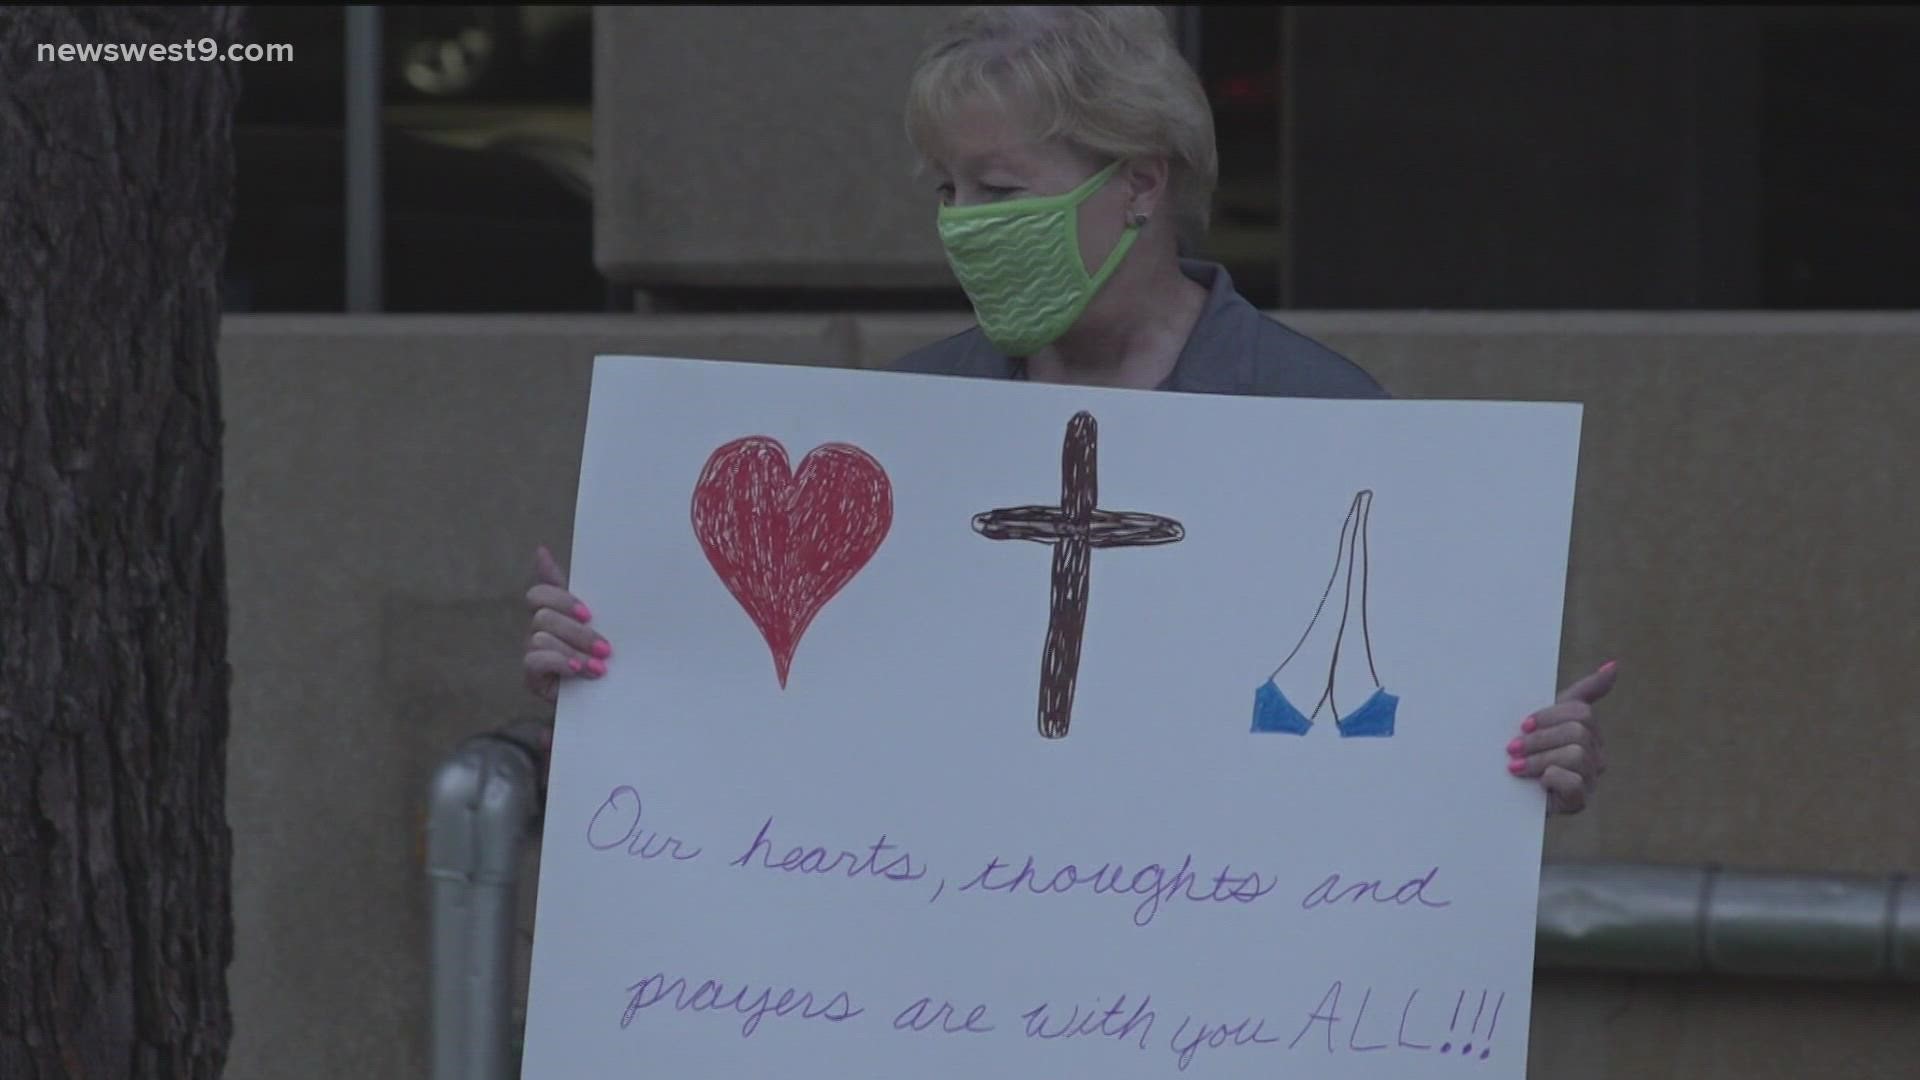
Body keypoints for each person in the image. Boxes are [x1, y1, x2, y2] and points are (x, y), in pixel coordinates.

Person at [521, 6, 1610, 813]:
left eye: (999, 192)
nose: (962, 226)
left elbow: (1388, 734)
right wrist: (623, 681)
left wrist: (1522, 765)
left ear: (1139, 184)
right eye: (945, 192)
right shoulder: (903, 426)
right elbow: (791, 737)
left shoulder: (1326, 423)